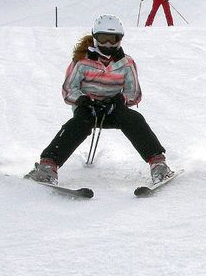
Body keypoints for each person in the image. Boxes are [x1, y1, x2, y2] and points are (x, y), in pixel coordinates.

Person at [25, 14, 174, 184]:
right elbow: (68, 89)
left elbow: (135, 93)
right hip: (88, 109)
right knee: (79, 123)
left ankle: (158, 164)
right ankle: (48, 165)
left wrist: (120, 100)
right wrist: (82, 100)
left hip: (114, 110)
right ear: (95, 38)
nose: (108, 44)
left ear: (120, 40)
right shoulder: (82, 62)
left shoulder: (126, 63)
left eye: (113, 39)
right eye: (103, 38)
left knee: (134, 119)